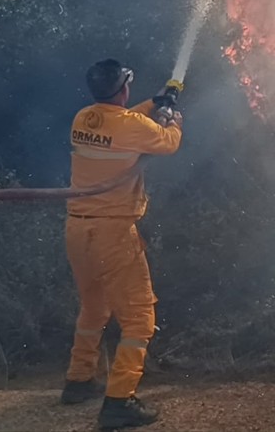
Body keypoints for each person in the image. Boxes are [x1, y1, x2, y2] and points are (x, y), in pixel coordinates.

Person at [61, 59, 182, 429]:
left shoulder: (84, 118)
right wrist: (173, 118)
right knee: (139, 318)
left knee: (94, 307)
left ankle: (79, 380)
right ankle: (119, 401)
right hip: (112, 233)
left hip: (78, 230)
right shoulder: (132, 127)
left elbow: (123, 122)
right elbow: (167, 143)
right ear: (124, 88)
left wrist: (155, 103)